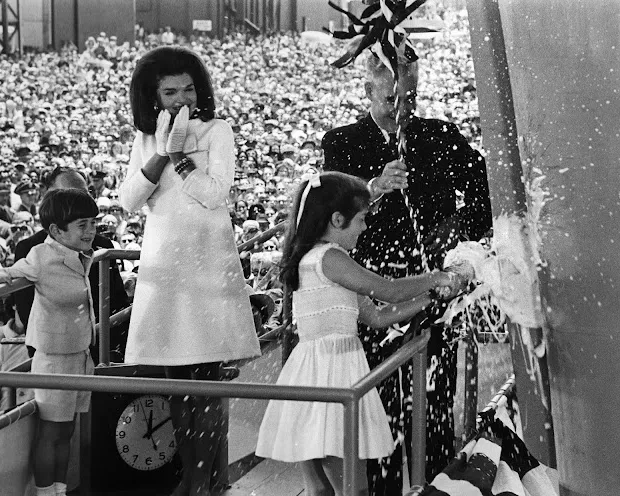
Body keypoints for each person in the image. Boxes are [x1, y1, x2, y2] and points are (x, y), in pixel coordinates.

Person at [322, 53, 492, 491]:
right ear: (367, 93)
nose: (401, 109)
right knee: (377, 409)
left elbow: (482, 184)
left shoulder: (440, 136)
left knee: (434, 403)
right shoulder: (341, 143)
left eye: (410, 97)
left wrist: (460, 240)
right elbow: (332, 216)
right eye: (390, 99)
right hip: (373, 289)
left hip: (432, 286)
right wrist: (374, 188)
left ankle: (435, 483)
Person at [255, 172, 460, 496]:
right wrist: (438, 277)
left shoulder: (315, 258)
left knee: (321, 489)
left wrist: (430, 298)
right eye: (362, 219)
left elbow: (378, 316)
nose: (365, 227)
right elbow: (388, 291)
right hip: (332, 374)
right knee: (355, 488)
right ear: (337, 219)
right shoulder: (329, 257)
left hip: (311, 373)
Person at [120, 45, 260, 496]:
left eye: (187, 89)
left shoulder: (219, 130)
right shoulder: (144, 139)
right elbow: (128, 201)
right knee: (175, 384)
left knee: (206, 383)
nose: (181, 99)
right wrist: (161, 152)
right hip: (165, 267)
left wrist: (181, 159)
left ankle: (208, 480)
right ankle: (194, 477)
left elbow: (216, 193)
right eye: (169, 91)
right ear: (153, 96)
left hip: (205, 264)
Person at [0, 188, 100, 496]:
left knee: (67, 432)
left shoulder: (81, 254)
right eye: (83, 225)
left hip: (79, 355)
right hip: (53, 359)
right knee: (50, 433)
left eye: (93, 223)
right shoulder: (41, 255)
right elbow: (14, 272)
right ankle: (44, 493)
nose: (91, 231)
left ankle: (59, 491)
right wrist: (1, 276)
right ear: (56, 230)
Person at [14, 167, 129, 363]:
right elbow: (28, 313)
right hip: (58, 354)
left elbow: (118, 302)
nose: (80, 203)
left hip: (105, 354)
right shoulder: (30, 248)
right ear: (49, 196)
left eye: (84, 194)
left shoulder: (103, 246)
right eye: (70, 196)